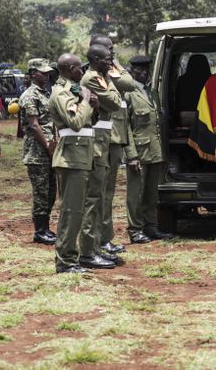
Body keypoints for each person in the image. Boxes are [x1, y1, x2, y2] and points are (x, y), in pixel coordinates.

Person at [49, 53, 99, 274]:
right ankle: (66, 261)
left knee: (77, 211)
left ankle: (71, 257)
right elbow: (76, 122)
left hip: (81, 156)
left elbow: (87, 121)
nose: (83, 72)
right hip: (71, 157)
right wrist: (87, 102)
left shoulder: (73, 91)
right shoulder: (61, 93)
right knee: (71, 212)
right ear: (70, 69)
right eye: (80, 68)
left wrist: (93, 105)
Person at [91, 35, 136, 256]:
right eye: (109, 51)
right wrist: (115, 63)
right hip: (104, 138)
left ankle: (104, 238)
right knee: (100, 194)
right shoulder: (99, 73)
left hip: (114, 136)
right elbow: (128, 83)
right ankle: (99, 239)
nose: (112, 55)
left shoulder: (104, 70)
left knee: (107, 193)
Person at [79, 44, 123, 270]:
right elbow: (115, 102)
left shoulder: (101, 77)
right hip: (96, 142)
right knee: (93, 198)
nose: (111, 62)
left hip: (102, 140)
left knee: (99, 198)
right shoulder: (92, 79)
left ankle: (94, 245)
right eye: (107, 59)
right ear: (96, 59)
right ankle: (87, 251)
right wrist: (112, 84)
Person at [123, 56, 173, 244]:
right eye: (139, 71)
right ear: (131, 72)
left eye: (146, 70)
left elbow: (157, 126)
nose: (144, 73)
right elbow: (125, 127)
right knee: (136, 193)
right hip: (139, 152)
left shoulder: (152, 93)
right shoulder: (127, 94)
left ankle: (150, 227)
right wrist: (131, 155)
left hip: (155, 150)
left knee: (151, 193)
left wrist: (163, 154)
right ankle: (135, 230)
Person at [19, 59, 58, 245]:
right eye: (43, 72)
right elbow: (34, 126)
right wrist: (48, 147)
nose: (47, 74)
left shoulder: (46, 93)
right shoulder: (29, 95)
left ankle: (46, 228)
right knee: (41, 192)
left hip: (50, 149)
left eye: (48, 72)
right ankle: (39, 231)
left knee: (51, 191)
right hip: (37, 152)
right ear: (33, 73)